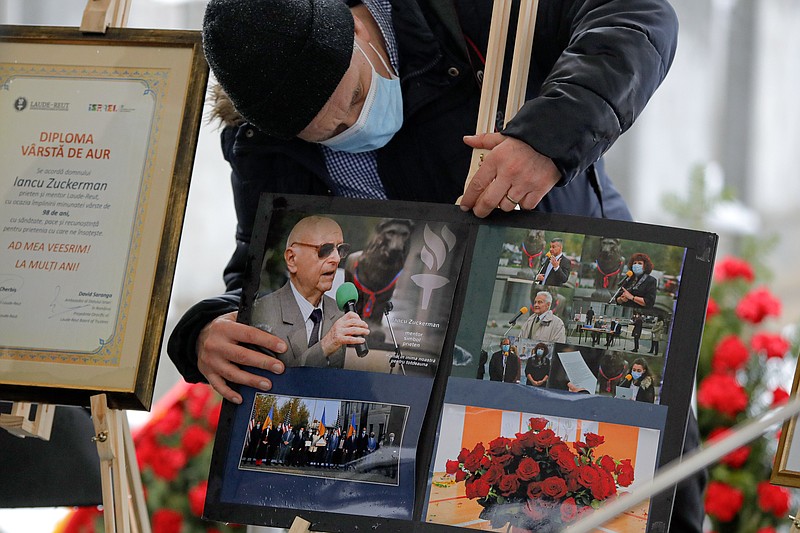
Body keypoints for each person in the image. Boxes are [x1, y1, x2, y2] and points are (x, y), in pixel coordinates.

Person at [168, 0, 702, 530]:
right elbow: (266, 270)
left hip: (571, 349)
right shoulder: (258, 138)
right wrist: (207, 331)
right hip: (411, 409)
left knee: (627, 501)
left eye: (354, 96)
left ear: (357, 23)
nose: (351, 125)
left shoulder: (464, 15)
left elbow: (638, 15)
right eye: (324, 133)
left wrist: (548, 138)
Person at [249, 216, 370, 370]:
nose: (336, 258)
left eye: (341, 249)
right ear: (292, 259)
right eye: (325, 249)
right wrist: (327, 344)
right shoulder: (261, 313)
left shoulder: (339, 314)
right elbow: (270, 382)